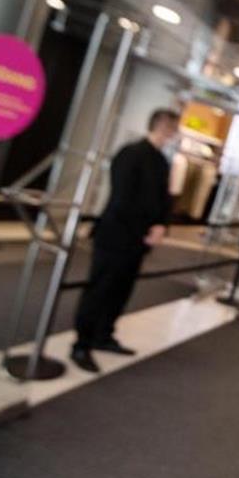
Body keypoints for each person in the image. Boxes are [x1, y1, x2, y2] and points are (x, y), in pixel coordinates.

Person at [70, 109, 179, 372]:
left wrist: (160, 225)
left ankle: (103, 335)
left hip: (137, 241)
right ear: (163, 127)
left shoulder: (162, 161)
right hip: (116, 235)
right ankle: (81, 344)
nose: (176, 133)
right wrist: (148, 227)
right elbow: (123, 199)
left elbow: (164, 199)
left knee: (121, 290)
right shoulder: (130, 154)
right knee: (101, 288)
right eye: (174, 128)